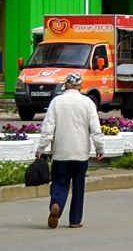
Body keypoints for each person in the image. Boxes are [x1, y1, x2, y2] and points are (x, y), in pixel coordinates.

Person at [36, 72, 105, 229]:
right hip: (80, 154)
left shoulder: (56, 102)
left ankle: (56, 204)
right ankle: (75, 220)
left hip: (61, 153)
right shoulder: (88, 103)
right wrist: (100, 148)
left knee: (60, 182)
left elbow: (48, 129)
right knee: (78, 186)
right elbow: (95, 129)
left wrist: (41, 148)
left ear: (65, 85)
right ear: (81, 86)